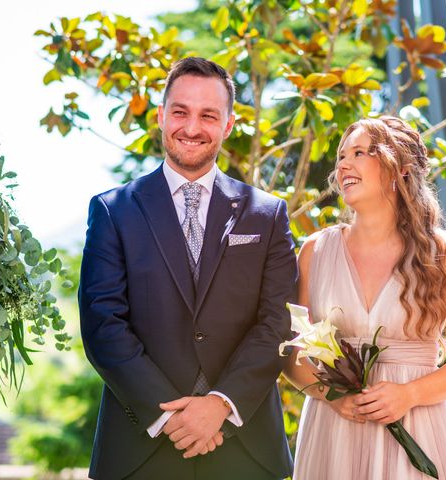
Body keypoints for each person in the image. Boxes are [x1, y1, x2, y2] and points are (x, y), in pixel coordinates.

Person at [79, 57, 297, 480]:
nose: (192, 127)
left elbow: (278, 322)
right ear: (161, 116)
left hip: (245, 446)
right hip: (139, 447)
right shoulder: (112, 210)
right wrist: (173, 417)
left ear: (229, 125)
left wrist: (219, 404)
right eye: (180, 112)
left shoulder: (267, 215)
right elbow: (103, 325)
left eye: (208, 115)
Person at [283, 116, 446, 479]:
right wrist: (335, 398)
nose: (344, 164)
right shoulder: (315, 251)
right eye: (341, 156)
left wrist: (409, 395)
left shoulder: (443, 254)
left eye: (360, 153)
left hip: (418, 425)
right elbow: (292, 353)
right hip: (334, 432)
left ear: (399, 170)